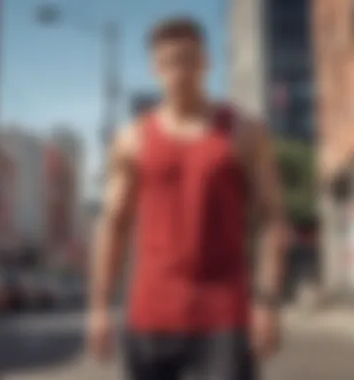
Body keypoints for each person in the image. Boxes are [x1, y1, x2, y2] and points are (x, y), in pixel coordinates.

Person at [89, 17, 287, 380]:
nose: (178, 72)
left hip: (224, 316)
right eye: (167, 63)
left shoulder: (244, 132)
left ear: (205, 62)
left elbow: (272, 220)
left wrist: (267, 302)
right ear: (154, 69)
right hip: (151, 316)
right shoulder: (132, 140)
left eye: (186, 59)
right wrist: (99, 308)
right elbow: (113, 223)